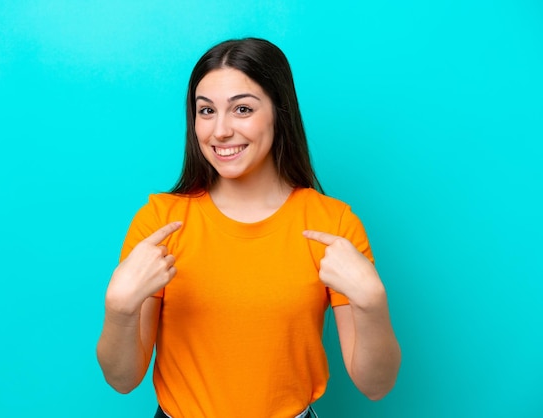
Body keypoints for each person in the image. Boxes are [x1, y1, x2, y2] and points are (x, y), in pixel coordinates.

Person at [96, 37, 401, 418]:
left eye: (242, 109)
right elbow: (122, 379)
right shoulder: (161, 223)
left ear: (279, 112)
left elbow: (376, 386)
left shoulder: (331, 225)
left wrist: (372, 303)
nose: (220, 131)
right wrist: (119, 309)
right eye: (206, 111)